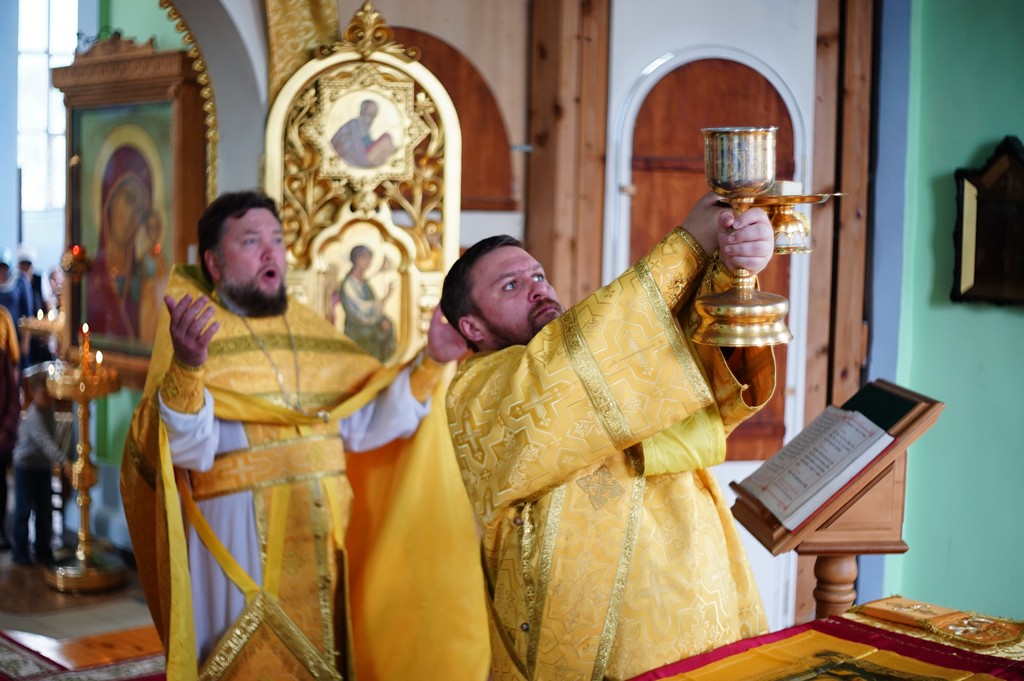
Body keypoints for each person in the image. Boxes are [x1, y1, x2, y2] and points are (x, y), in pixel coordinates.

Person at [121, 191, 487, 680]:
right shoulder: (195, 332)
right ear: (213, 262)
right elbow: (186, 449)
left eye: (276, 239)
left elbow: (364, 424)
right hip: (235, 540)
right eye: (251, 241)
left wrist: (432, 362)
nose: (270, 252)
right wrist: (188, 368)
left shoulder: (313, 334)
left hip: (321, 540)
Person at [440, 192, 778, 680]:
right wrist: (688, 247)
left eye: (538, 275)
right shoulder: (475, 393)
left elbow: (698, 376)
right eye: (510, 285)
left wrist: (731, 271)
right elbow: (559, 376)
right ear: (472, 326)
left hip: (703, 596)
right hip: (600, 651)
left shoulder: (611, 361)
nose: (537, 289)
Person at [88, 145, 168, 343]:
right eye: (129, 199)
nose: (133, 216)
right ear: (109, 199)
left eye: (140, 208)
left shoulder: (143, 274)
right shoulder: (90, 274)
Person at [11, 364, 73, 567]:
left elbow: (54, 438)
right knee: (23, 510)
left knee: (44, 509)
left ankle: (43, 549)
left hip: (42, 467)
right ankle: (20, 551)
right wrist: (63, 461)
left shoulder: (50, 409)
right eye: (44, 394)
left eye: (49, 393)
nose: (48, 398)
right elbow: (45, 442)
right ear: (34, 393)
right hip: (26, 467)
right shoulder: (34, 416)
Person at [333, 244, 396, 361]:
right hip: (357, 327)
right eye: (365, 258)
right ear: (357, 260)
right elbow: (360, 309)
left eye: (369, 259)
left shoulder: (364, 282)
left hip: (368, 322)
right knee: (374, 333)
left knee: (389, 324)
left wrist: (381, 319)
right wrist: (386, 297)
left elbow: (372, 303)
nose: (369, 262)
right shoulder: (348, 284)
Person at [0, 307, 20, 551]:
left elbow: (13, 397)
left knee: (1, 484)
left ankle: (1, 529)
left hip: (1, 435)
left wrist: (7, 426)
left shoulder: (3, 359)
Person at [330, 99, 396, 168]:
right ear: (362, 112)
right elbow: (340, 145)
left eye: (373, 116)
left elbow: (366, 148)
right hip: (348, 161)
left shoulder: (366, 131)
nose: (370, 120)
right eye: (369, 114)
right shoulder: (352, 125)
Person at [16, 245, 54, 365]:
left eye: (28, 264)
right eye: (23, 264)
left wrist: (47, 329)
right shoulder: (15, 282)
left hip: (38, 332)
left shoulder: (39, 279)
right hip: (21, 331)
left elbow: (47, 304)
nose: (25, 267)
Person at [0, 247, 32, 370]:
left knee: (16, 371)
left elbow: (28, 311)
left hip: (16, 337)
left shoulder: (19, 280)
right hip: (1, 338)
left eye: (4, 267)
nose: (1, 271)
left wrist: (25, 340)